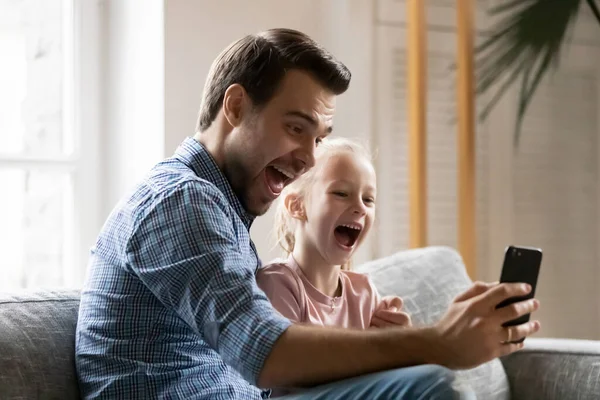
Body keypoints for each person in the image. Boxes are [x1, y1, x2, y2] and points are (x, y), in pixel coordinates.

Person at [75, 28, 541, 400]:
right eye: (296, 127)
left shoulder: (220, 209)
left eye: (318, 138)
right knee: (430, 386)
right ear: (235, 107)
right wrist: (437, 341)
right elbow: (262, 351)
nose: (309, 158)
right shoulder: (180, 201)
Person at [257, 137, 411, 331]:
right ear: (297, 206)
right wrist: (371, 348)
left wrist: (402, 343)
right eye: (341, 193)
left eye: (368, 199)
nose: (360, 208)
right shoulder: (278, 283)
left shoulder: (364, 292)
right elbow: (290, 360)